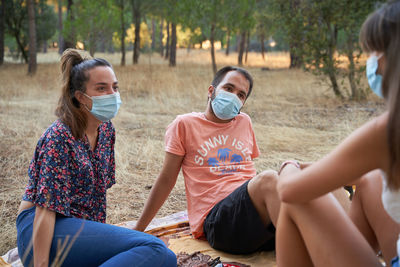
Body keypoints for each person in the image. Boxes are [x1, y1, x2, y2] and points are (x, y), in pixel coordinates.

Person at [16, 49, 177, 267]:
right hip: (40, 231)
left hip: (74, 229)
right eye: (101, 88)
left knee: (166, 258)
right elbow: (45, 210)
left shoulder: (106, 131)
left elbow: (96, 198)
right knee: (153, 247)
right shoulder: (59, 137)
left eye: (115, 87)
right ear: (80, 96)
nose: (112, 94)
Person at [275, 1, 400, 266]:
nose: (374, 66)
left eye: (376, 52)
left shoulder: (389, 131)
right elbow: (366, 169)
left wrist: (290, 166)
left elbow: (289, 191)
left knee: (299, 199)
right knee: (370, 181)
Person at [134, 66, 282, 255]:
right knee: (270, 179)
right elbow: (166, 179)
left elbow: (246, 171)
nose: (233, 96)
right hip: (218, 223)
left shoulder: (244, 122)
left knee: (300, 181)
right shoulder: (184, 124)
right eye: (228, 89)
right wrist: (139, 228)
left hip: (254, 224)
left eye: (241, 95)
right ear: (211, 91)